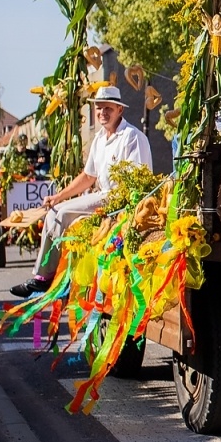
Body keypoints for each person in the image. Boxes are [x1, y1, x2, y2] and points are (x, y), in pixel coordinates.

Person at [10, 86, 152, 298]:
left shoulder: (131, 136)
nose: (103, 113)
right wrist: (58, 196)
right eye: (99, 108)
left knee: (63, 214)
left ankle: (54, 278)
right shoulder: (99, 139)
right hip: (102, 195)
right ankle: (43, 277)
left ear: (119, 110)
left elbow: (139, 181)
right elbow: (88, 177)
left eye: (108, 109)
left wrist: (125, 206)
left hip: (119, 199)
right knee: (54, 211)